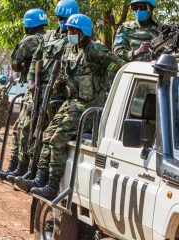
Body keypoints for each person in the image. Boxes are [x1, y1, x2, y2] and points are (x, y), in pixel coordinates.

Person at [19, 14, 126, 199]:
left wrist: (106, 82)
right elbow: (63, 73)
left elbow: (121, 68)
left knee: (57, 138)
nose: (69, 33)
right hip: (71, 103)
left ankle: (52, 186)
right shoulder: (70, 49)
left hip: (88, 105)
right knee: (46, 135)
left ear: (84, 32)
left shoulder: (96, 51)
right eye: (68, 30)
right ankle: (39, 179)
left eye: (73, 30)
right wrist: (55, 87)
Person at [10, 0, 80, 184]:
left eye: (65, 18)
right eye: (60, 18)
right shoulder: (48, 36)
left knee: (44, 134)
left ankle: (35, 173)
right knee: (27, 129)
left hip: (56, 95)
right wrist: (33, 80)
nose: (63, 22)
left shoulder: (74, 39)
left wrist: (58, 86)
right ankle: (20, 167)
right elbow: (35, 60)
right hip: (39, 90)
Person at [0, 8, 48, 179]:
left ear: (28, 25)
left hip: (32, 90)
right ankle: (19, 168)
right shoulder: (50, 38)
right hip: (45, 92)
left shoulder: (29, 40)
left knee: (21, 130)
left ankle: (17, 168)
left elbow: (15, 63)